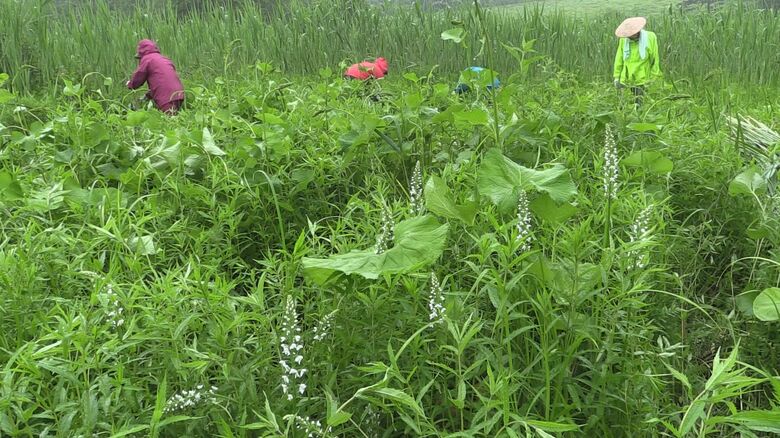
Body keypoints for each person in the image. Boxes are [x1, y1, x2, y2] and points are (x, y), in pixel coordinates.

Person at [126, 39, 185, 115]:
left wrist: (130, 84)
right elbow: (163, 82)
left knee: (169, 119)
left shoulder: (147, 59)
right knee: (175, 117)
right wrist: (147, 96)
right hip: (178, 94)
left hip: (166, 97)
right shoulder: (164, 59)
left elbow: (139, 76)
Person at [613, 17, 661, 105]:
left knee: (640, 105)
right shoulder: (623, 40)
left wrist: (653, 78)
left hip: (643, 79)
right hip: (626, 79)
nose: (632, 35)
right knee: (625, 106)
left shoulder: (650, 37)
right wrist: (617, 77)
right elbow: (619, 59)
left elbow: (654, 59)